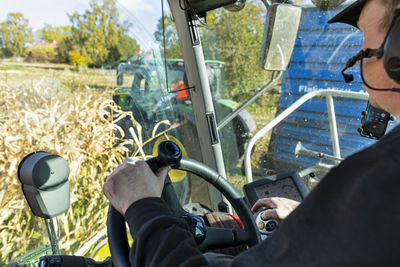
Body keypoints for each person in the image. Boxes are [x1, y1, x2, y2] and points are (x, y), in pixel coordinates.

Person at [103, 0, 400, 265]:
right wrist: (317, 219)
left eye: (363, 34)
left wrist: (142, 208)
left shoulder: (383, 177)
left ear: (396, 50)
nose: (357, 54)